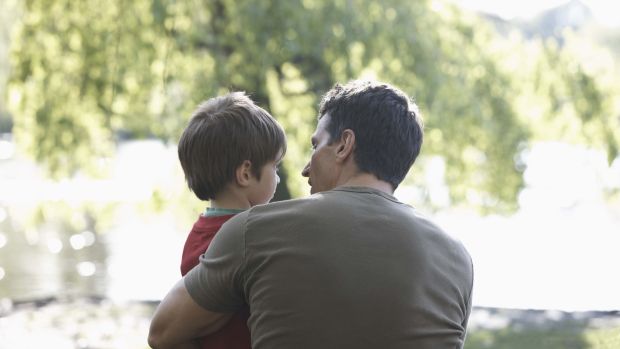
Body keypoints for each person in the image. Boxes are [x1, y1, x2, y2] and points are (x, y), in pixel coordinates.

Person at [148, 80, 474, 349]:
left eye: (315, 146)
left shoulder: (254, 232)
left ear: (344, 145)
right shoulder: (458, 259)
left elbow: (162, 335)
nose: (305, 169)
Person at [174, 92, 286, 349]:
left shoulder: (197, 234)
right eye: (275, 167)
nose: (278, 178)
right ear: (245, 173)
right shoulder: (254, 237)